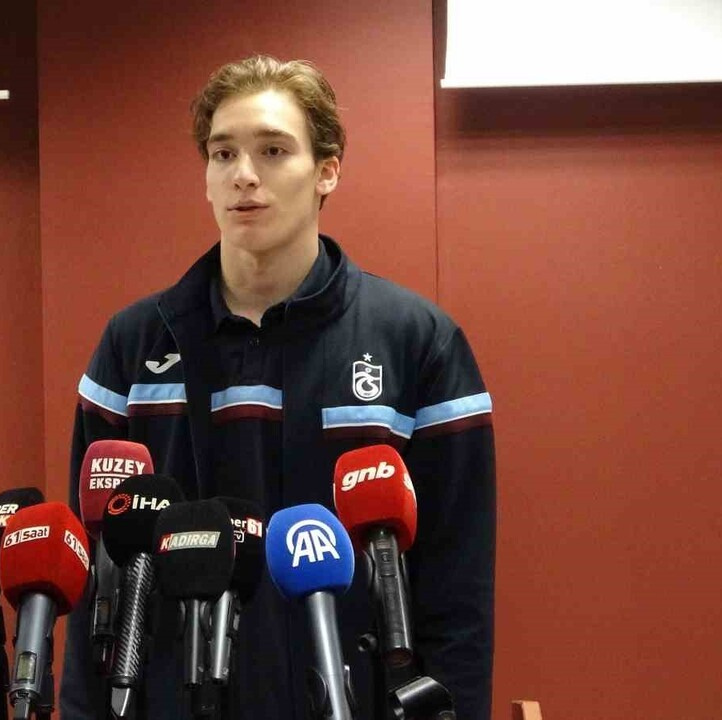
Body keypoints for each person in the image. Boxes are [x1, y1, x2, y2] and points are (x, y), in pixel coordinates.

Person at [62, 55, 495, 720]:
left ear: (327, 171)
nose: (244, 174)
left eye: (272, 150)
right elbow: (100, 577)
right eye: (223, 153)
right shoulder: (132, 345)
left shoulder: (419, 342)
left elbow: (458, 590)